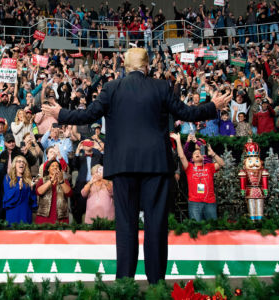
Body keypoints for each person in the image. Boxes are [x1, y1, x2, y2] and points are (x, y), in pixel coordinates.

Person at [42, 48, 231, 284]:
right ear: (147, 66)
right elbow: (187, 112)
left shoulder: (111, 88)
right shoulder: (161, 86)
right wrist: (212, 105)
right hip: (156, 165)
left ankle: (124, 283)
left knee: (126, 225)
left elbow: (89, 115)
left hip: (123, 167)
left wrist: (61, 113)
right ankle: (156, 285)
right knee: (156, 226)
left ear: (125, 65)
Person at [171, 133, 225, 221]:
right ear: (192, 158)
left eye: (199, 153)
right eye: (195, 153)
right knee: (196, 228)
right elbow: (181, 156)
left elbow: (222, 164)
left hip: (210, 202)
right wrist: (178, 140)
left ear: (203, 157)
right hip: (194, 203)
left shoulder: (209, 166)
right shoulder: (189, 167)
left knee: (212, 229)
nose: (197, 153)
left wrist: (213, 154)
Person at [35, 159, 72, 224]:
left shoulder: (64, 181)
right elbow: (39, 192)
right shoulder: (42, 180)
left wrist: (61, 181)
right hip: (44, 217)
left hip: (61, 217)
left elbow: (69, 193)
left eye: (57, 166)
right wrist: (51, 181)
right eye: (52, 166)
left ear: (60, 170)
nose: (55, 167)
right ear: (48, 169)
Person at [2, 156, 37, 225]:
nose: (21, 163)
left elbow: (32, 200)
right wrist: (18, 188)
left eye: (23, 162)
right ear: (14, 164)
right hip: (13, 211)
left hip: (25, 211)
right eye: (19, 161)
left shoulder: (28, 180)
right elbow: (7, 196)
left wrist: (32, 189)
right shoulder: (8, 178)